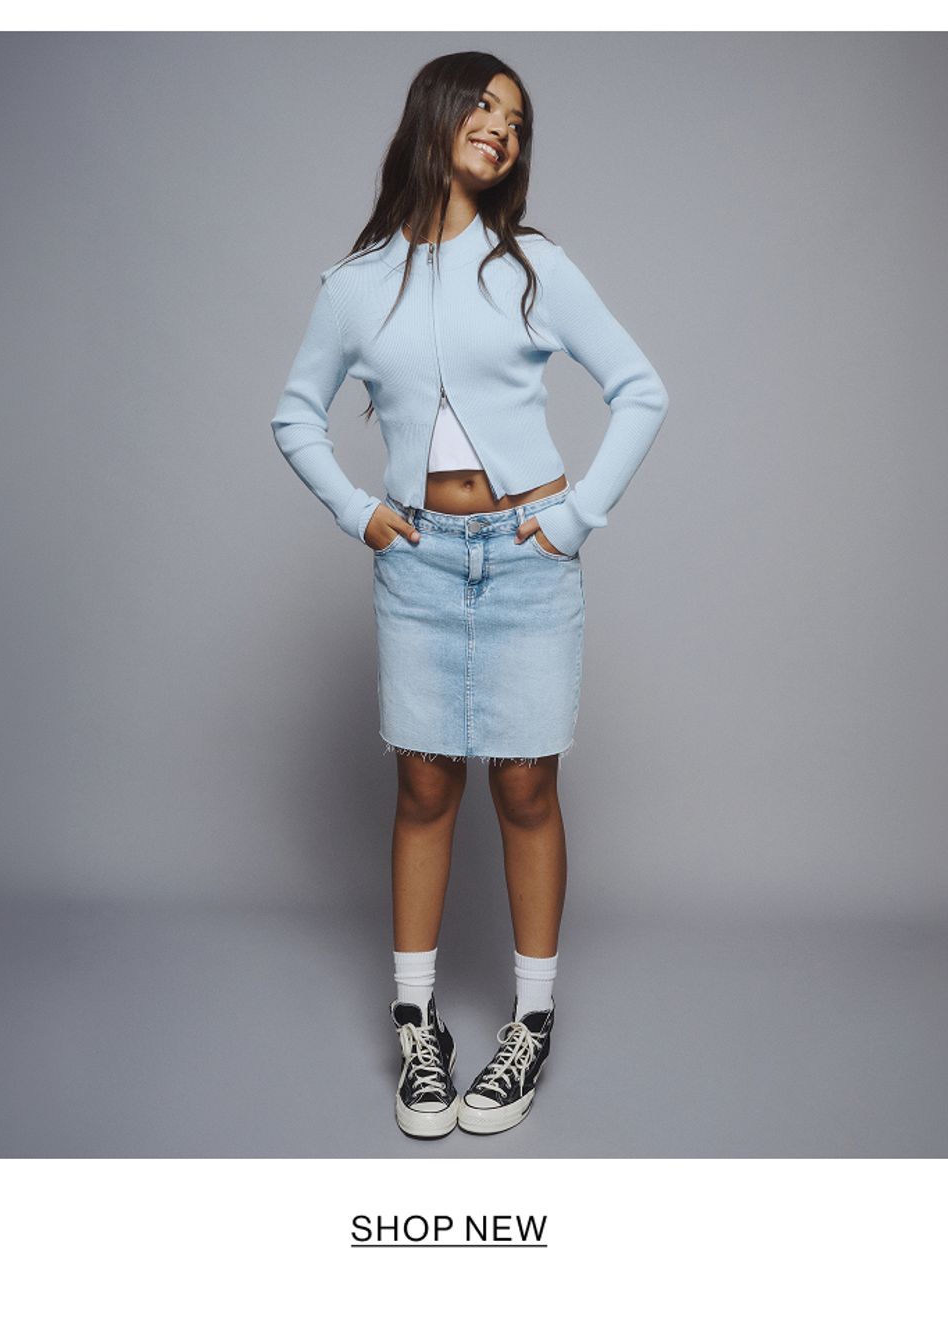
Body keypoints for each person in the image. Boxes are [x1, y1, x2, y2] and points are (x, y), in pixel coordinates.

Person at [271, 51, 669, 1139]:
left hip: (529, 553)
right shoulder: (354, 284)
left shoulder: (532, 264)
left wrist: (577, 514)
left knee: (527, 787)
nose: (501, 127)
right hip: (419, 560)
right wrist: (361, 512)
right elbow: (294, 413)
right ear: (436, 113)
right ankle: (418, 1023)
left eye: (517, 119)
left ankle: (530, 1023)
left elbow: (641, 387)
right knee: (425, 788)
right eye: (485, 105)